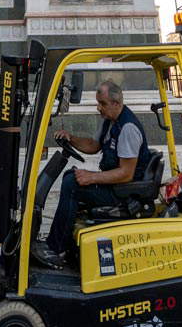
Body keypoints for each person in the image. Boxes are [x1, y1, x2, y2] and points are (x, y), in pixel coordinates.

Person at [33, 80, 148, 268]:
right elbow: (93, 146)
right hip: (116, 186)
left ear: (116, 103)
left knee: (73, 185)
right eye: (98, 103)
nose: (99, 108)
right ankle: (63, 244)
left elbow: (126, 174)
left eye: (102, 104)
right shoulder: (110, 122)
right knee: (71, 177)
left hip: (122, 194)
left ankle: (56, 249)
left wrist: (91, 177)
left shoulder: (128, 128)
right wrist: (71, 138)